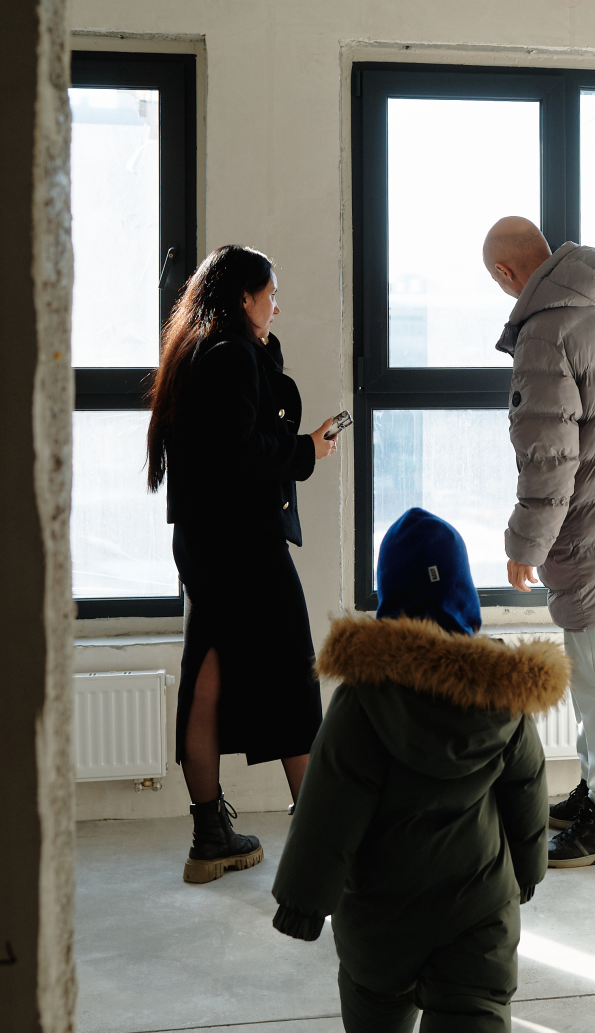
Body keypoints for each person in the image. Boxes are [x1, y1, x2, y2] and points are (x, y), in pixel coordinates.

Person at [270, 507, 568, 1033]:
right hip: (478, 912)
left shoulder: (362, 699)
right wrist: (528, 869)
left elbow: (328, 804)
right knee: (475, 1015)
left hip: (381, 915)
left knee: (374, 1010)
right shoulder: (503, 696)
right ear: (466, 596)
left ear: (390, 601)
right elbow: (526, 787)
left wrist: (304, 899)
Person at [145, 244, 343, 884]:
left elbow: (224, 446)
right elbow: (242, 452)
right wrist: (307, 449)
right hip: (245, 543)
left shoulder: (195, 351)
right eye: (270, 293)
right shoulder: (230, 354)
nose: (276, 305)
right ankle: (321, 850)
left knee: (207, 676)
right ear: (243, 297)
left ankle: (210, 838)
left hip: (204, 542)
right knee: (292, 681)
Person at [482, 216, 595, 869]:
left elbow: (549, 454)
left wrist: (525, 545)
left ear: (506, 273)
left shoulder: (544, 332)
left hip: (589, 527)